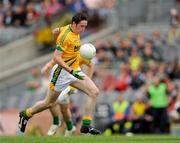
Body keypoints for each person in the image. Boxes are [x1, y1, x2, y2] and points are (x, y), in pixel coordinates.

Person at [18, 11, 101, 135]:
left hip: (74, 70)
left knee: (94, 92)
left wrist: (56, 30)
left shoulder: (70, 28)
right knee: (49, 103)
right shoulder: (65, 37)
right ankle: (26, 114)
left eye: (85, 26)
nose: (83, 29)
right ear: (74, 24)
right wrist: (70, 70)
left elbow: (60, 29)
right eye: (81, 26)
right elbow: (57, 57)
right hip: (61, 73)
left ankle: (86, 125)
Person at [42, 56, 95, 136]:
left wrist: (88, 80)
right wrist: (48, 65)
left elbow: (91, 65)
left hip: (72, 85)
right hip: (62, 82)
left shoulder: (78, 55)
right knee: (64, 108)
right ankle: (70, 127)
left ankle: (56, 122)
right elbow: (56, 59)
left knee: (53, 101)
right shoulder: (66, 53)